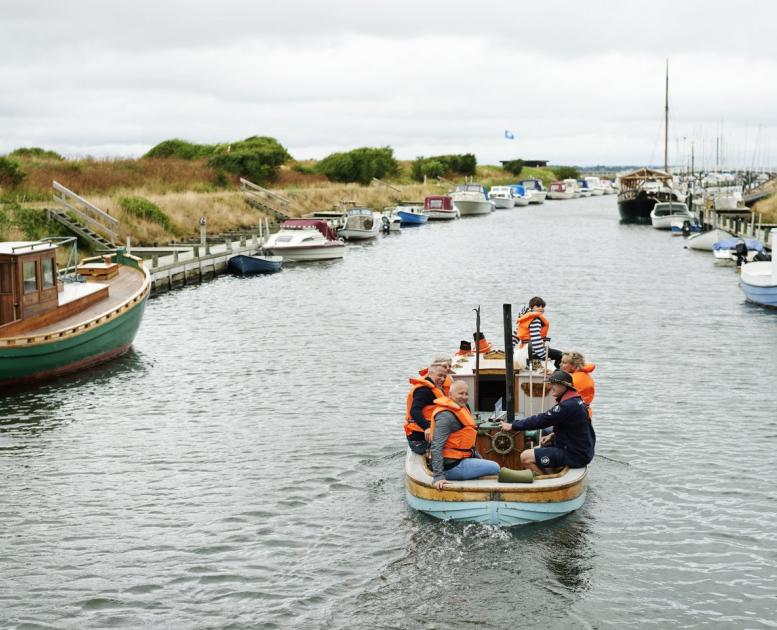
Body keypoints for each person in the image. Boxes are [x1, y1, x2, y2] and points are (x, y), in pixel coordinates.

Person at [500, 370, 595, 475]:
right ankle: (551, 474)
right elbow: (576, 427)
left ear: (564, 386)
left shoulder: (566, 406)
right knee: (537, 448)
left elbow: (541, 420)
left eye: (554, 384)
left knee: (525, 457)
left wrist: (513, 425)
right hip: (581, 451)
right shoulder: (576, 400)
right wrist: (553, 435)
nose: (550, 387)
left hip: (575, 455)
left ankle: (549, 481)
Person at [430, 380, 500, 489]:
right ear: (450, 394)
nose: (464, 397)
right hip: (451, 467)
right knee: (495, 467)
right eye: (460, 393)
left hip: (461, 458)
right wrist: (438, 477)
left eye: (466, 394)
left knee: (487, 465)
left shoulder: (461, 408)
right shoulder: (445, 416)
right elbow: (436, 446)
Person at [404, 360, 448, 454]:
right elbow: (414, 410)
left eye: (444, 376)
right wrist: (426, 428)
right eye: (439, 375)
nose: (443, 379)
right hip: (419, 438)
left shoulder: (435, 388)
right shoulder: (424, 390)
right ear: (430, 373)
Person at [513, 296, 562, 368]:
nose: (541, 308)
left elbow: (514, 337)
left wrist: (510, 353)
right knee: (562, 355)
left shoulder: (524, 319)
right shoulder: (535, 320)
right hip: (533, 353)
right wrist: (543, 356)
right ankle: (556, 374)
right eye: (538, 306)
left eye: (542, 306)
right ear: (532, 307)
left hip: (523, 352)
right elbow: (536, 341)